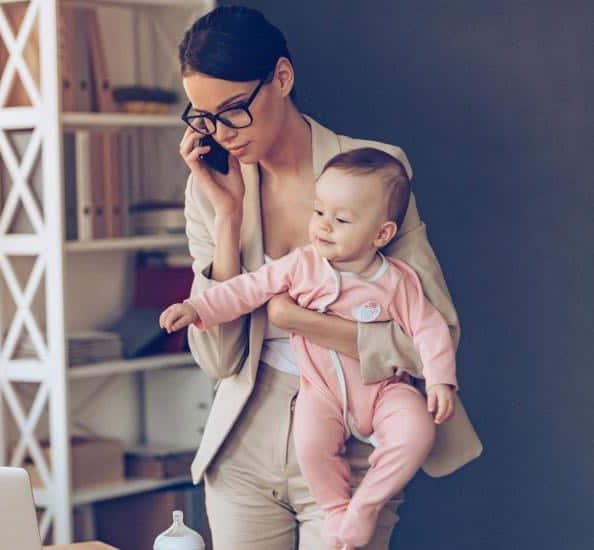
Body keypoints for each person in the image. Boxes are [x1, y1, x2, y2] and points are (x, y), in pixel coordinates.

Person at [175, 6, 482, 549]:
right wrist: (227, 221)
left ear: (282, 78)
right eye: (203, 117)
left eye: (233, 111)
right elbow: (220, 361)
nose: (220, 134)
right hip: (245, 442)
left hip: (355, 440)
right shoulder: (210, 192)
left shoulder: (375, 171)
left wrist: (299, 321)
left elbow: (431, 336)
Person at [161, 148, 457, 548]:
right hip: (320, 394)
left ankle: (365, 505)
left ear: (382, 234)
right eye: (319, 212)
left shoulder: (397, 280)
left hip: (385, 391)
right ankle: (336, 510)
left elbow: (430, 328)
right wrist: (196, 307)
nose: (323, 227)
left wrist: (441, 382)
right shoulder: (302, 265)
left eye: (341, 219)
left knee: (418, 431)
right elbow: (248, 289)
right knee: (311, 445)